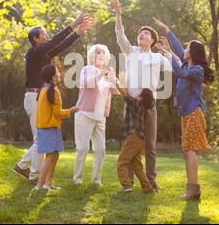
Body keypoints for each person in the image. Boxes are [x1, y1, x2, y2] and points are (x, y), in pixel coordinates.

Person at [14, 13, 95, 182]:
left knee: (40, 138)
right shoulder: (34, 52)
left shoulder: (42, 54)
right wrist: (73, 23)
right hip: (34, 97)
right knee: (40, 138)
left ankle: (31, 171)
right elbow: (55, 42)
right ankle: (27, 168)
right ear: (35, 39)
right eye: (43, 34)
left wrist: (78, 32)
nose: (47, 36)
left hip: (39, 97)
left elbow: (60, 45)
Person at [111, 0, 171, 193]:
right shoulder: (131, 52)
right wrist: (118, 14)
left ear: (152, 41)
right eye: (139, 33)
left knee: (150, 146)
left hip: (148, 106)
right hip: (131, 104)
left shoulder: (157, 58)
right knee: (130, 143)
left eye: (145, 34)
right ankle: (128, 183)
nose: (141, 35)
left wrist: (168, 52)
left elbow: (173, 68)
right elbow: (120, 36)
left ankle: (151, 183)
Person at [154, 17, 214, 201]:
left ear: (193, 53)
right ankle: (192, 189)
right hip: (186, 113)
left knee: (190, 150)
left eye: (188, 49)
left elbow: (180, 72)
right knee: (187, 150)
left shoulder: (196, 70)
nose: (184, 50)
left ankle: (193, 188)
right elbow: (178, 49)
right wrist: (167, 29)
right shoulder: (186, 63)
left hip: (194, 112)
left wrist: (169, 54)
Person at [73, 44, 118, 186]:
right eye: (97, 52)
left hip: (100, 117)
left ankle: (96, 180)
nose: (100, 54)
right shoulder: (87, 70)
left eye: (103, 53)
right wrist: (100, 73)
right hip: (85, 114)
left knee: (100, 149)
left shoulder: (106, 74)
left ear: (106, 58)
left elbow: (117, 90)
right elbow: (88, 84)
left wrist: (113, 78)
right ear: (92, 56)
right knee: (82, 148)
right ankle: (77, 180)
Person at [33, 65, 79, 192]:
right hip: (50, 128)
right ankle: (39, 186)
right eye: (57, 72)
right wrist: (71, 110)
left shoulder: (43, 90)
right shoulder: (54, 91)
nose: (59, 73)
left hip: (44, 128)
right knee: (50, 156)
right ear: (53, 77)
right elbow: (58, 113)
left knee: (55, 154)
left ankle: (48, 183)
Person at [112, 76, 155, 194]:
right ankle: (147, 188)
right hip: (139, 138)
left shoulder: (136, 104)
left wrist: (115, 81)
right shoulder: (141, 107)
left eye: (139, 94)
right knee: (136, 165)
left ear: (141, 98)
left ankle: (126, 186)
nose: (136, 95)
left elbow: (125, 95)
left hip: (133, 137)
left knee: (121, 162)